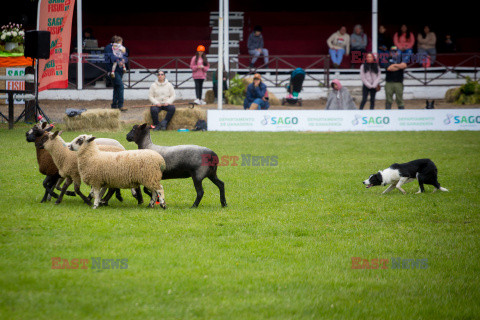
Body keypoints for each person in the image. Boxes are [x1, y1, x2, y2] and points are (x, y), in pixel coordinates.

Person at [104, 35, 127, 111]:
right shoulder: (108, 48)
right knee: (121, 86)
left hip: (119, 69)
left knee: (117, 87)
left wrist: (123, 60)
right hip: (112, 70)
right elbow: (111, 57)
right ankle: (121, 105)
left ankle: (114, 104)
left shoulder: (119, 47)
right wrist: (119, 60)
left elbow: (125, 55)